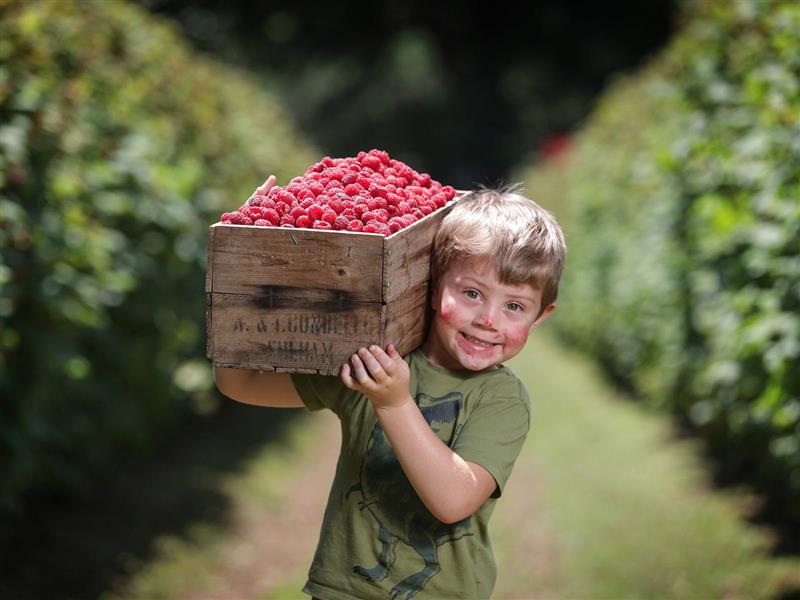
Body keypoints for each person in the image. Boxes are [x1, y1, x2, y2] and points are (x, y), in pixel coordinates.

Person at [214, 181, 566, 600]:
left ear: (540, 317)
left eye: (514, 306)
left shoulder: (501, 398)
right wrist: (244, 254)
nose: (489, 320)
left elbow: (453, 501)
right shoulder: (374, 361)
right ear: (433, 287)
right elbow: (240, 382)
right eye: (471, 293)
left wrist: (394, 402)